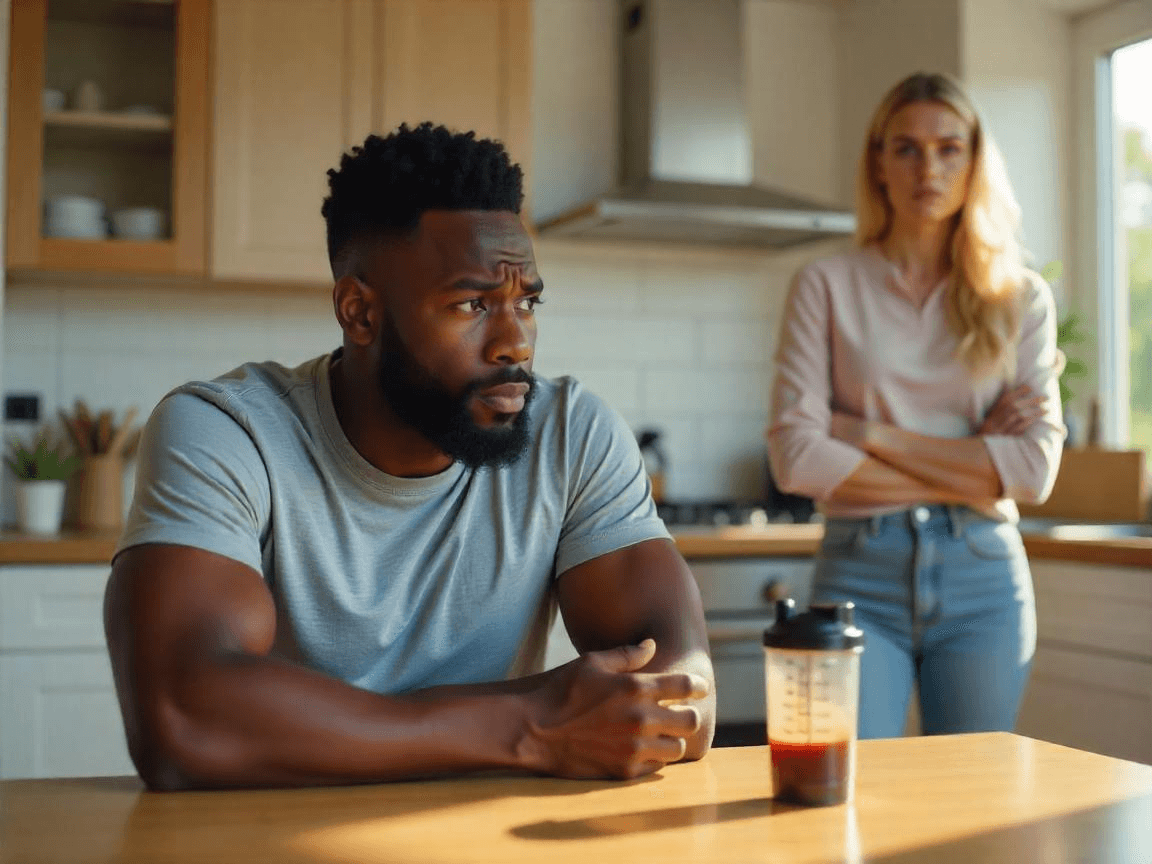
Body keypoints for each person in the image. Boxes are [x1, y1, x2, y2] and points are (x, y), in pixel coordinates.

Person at [104, 122, 715, 791]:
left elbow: (684, 694)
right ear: (359, 313)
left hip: (483, 828)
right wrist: (532, 724)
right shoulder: (227, 432)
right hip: (272, 830)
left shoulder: (572, 432)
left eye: (527, 301)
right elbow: (183, 720)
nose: (516, 342)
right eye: (473, 303)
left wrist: (516, 725)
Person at [767, 73, 1065, 739]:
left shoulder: (1020, 298)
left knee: (974, 792)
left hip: (984, 580)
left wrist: (869, 434)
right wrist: (976, 465)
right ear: (878, 162)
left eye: (948, 148)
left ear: (974, 159)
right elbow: (797, 458)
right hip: (857, 575)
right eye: (905, 148)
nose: (927, 168)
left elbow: (1032, 470)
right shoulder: (824, 284)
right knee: (849, 782)